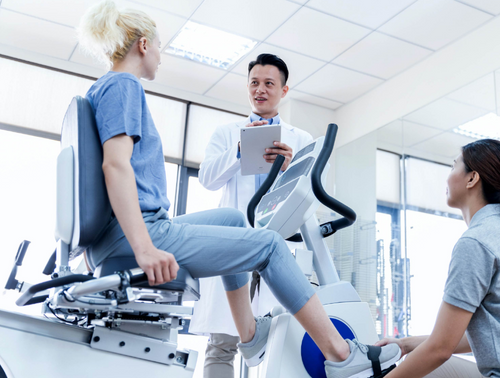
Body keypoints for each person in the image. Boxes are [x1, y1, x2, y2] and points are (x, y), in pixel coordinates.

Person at [78, 2, 400, 378]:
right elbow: (114, 166)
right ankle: (344, 356)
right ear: (145, 45)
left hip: (135, 231)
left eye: (269, 84)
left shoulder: (109, 87)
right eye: (161, 47)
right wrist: (145, 247)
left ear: (283, 90)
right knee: (268, 245)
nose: (161, 58)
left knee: (234, 220)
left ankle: (250, 336)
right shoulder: (125, 86)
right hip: (144, 232)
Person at [189, 53, 313, 378]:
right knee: (222, 344)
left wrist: (290, 167)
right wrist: (240, 150)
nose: (260, 90)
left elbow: (310, 195)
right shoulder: (227, 133)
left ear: (284, 91)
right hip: (234, 246)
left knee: (283, 345)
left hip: (277, 248)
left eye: (269, 83)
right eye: (254, 83)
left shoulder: (300, 140)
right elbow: (207, 178)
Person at [376, 139, 500, 377]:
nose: (447, 176)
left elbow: (440, 350)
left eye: (454, 166)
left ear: (472, 179)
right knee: (425, 360)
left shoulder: (475, 242)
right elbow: (485, 335)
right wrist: (406, 344)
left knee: (427, 366)